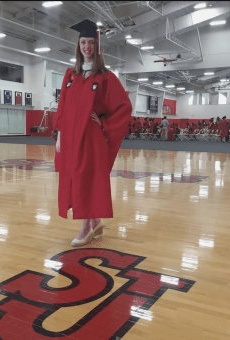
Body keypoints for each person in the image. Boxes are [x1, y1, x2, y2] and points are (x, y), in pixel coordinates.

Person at [54, 19, 132, 246]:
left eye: (90, 42)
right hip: (70, 138)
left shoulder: (105, 77)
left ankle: (86, 226)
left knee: (87, 179)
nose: (86, 47)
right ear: (78, 46)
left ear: (97, 47)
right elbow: (62, 107)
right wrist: (59, 134)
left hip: (90, 139)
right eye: (83, 42)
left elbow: (123, 107)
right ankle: (95, 220)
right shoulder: (70, 75)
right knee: (75, 178)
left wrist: (103, 122)